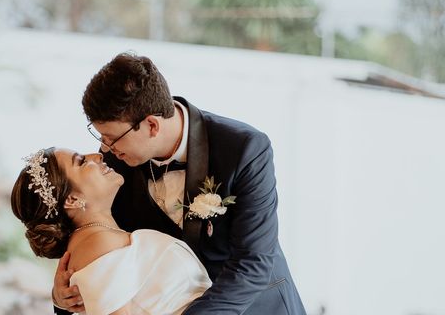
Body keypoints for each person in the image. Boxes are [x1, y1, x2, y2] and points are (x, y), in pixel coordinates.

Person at [53, 52, 306, 314]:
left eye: (111, 138)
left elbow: (253, 263)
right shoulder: (114, 163)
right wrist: (62, 298)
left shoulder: (244, 149)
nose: (104, 148)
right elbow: (96, 244)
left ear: (151, 125)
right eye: (101, 136)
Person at [12, 147, 211, 315]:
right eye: (81, 162)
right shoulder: (96, 247)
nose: (98, 155)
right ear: (71, 200)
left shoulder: (100, 238)